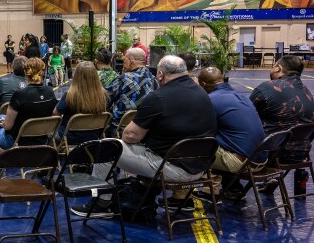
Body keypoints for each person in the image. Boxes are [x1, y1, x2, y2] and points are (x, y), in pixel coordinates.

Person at [78, 55, 217, 217]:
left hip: (174, 168)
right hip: (201, 167)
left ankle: (99, 203)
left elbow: (130, 135)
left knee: (106, 147)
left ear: (160, 75)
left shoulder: (158, 97)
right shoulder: (202, 94)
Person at [249, 55, 314, 194]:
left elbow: (245, 112)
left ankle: (232, 188)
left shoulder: (267, 87)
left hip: (273, 152)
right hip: (301, 151)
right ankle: (272, 180)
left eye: (273, 66)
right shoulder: (306, 90)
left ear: (278, 68)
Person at [197, 66, 267, 201]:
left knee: (197, 146)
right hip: (262, 159)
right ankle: (233, 188)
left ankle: (208, 193)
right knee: (227, 139)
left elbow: (200, 129)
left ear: (203, 84)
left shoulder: (211, 100)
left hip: (242, 164)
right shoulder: (241, 95)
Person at [0, 57, 57, 155]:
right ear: (42, 72)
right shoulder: (50, 91)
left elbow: (7, 127)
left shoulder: (19, 94)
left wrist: (3, 124)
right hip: (42, 140)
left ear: (26, 73)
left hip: (18, 141)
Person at [54, 61, 108, 144]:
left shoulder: (70, 95)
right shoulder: (103, 95)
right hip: (93, 136)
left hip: (69, 138)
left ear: (76, 76)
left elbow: (55, 114)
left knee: (48, 133)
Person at [105, 47, 155, 136]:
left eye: (124, 60)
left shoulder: (124, 79)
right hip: (145, 128)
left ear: (130, 61)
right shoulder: (153, 78)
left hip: (120, 128)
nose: (123, 64)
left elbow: (106, 99)